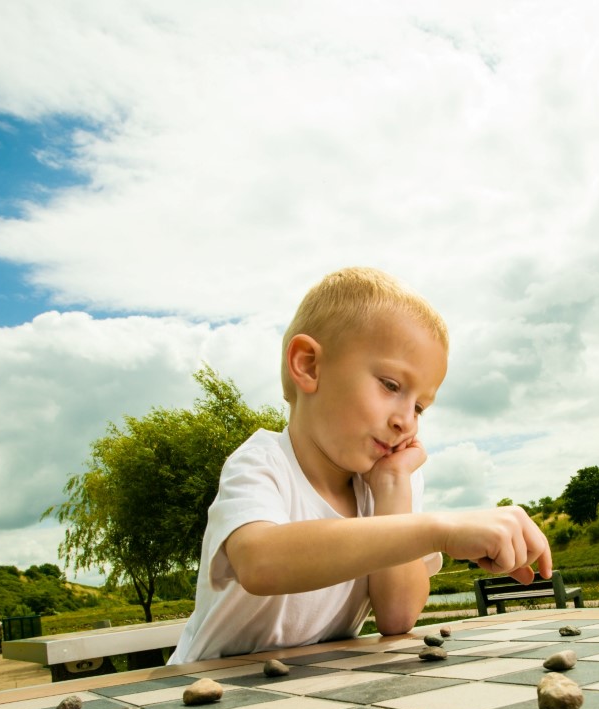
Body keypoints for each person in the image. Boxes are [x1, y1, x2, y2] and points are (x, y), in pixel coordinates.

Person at [171, 267, 553, 662]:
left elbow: (398, 615)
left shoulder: (391, 481)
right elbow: (260, 562)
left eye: (419, 406)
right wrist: (440, 529)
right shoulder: (262, 461)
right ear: (309, 365)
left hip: (304, 689)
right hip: (200, 690)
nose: (406, 420)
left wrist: (392, 492)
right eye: (391, 386)